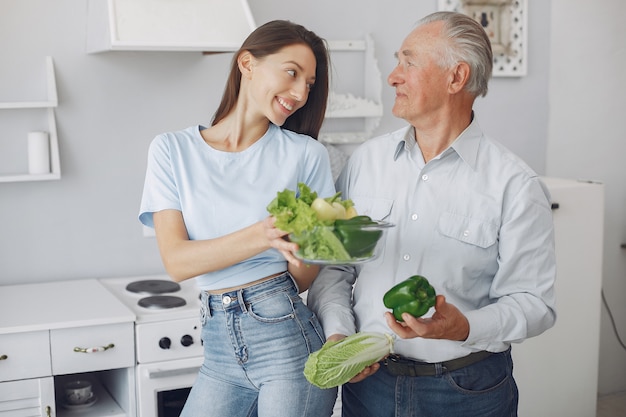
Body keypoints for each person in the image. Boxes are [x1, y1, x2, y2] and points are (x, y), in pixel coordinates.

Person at [307, 11, 557, 417]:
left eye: (408, 61)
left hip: (466, 391)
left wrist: (465, 327)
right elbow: (335, 269)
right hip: (370, 388)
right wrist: (339, 334)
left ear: (456, 78)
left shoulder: (515, 184)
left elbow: (534, 303)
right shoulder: (365, 162)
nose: (393, 76)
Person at [138, 20, 338, 417]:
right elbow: (178, 262)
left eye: (309, 85)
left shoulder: (307, 155)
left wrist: (303, 249)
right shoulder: (172, 150)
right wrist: (264, 234)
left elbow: (303, 276)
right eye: (292, 73)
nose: (300, 94)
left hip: (285, 337)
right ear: (247, 62)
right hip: (217, 343)